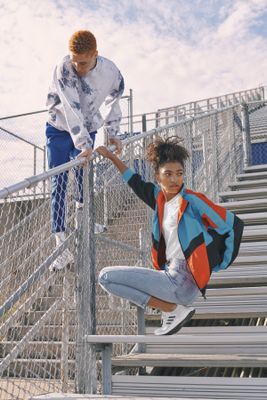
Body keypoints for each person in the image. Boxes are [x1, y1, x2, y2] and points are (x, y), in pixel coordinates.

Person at [96, 137, 244, 335]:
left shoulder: (192, 200)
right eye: (168, 174)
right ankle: (170, 310)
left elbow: (233, 224)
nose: (175, 179)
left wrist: (218, 262)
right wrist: (111, 157)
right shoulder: (159, 200)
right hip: (172, 275)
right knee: (110, 280)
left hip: (182, 279)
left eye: (179, 174)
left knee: (105, 277)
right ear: (158, 176)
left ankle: (172, 309)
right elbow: (134, 181)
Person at [45, 29, 124, 270]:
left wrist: (112, 133)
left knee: (84, 178)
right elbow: (71, 108)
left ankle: (84, 223)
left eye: (84, 62)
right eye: (75, 61)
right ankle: (61, 246)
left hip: (88, 126)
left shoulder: (111, 72)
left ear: (95, 55)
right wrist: (84, 146)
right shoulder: (64, 68)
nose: (78, 67)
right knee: (59, 182)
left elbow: (115, 98)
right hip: (59, 127)